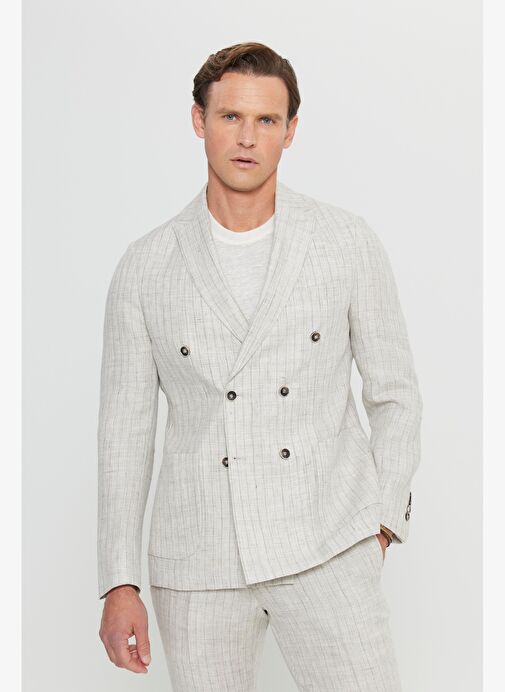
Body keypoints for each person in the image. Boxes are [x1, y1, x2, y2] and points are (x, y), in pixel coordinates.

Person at [97, 41, 422, 691]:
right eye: (230, 117)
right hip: (198, 558)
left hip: (328, 541)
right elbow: (124, 434)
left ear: (290, 131)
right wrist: (119, 581)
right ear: (199, 120)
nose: (247, 138)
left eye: (266, 120)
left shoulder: (344, 242)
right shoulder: (146, 266)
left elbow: (395, 393)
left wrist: (381, 523)